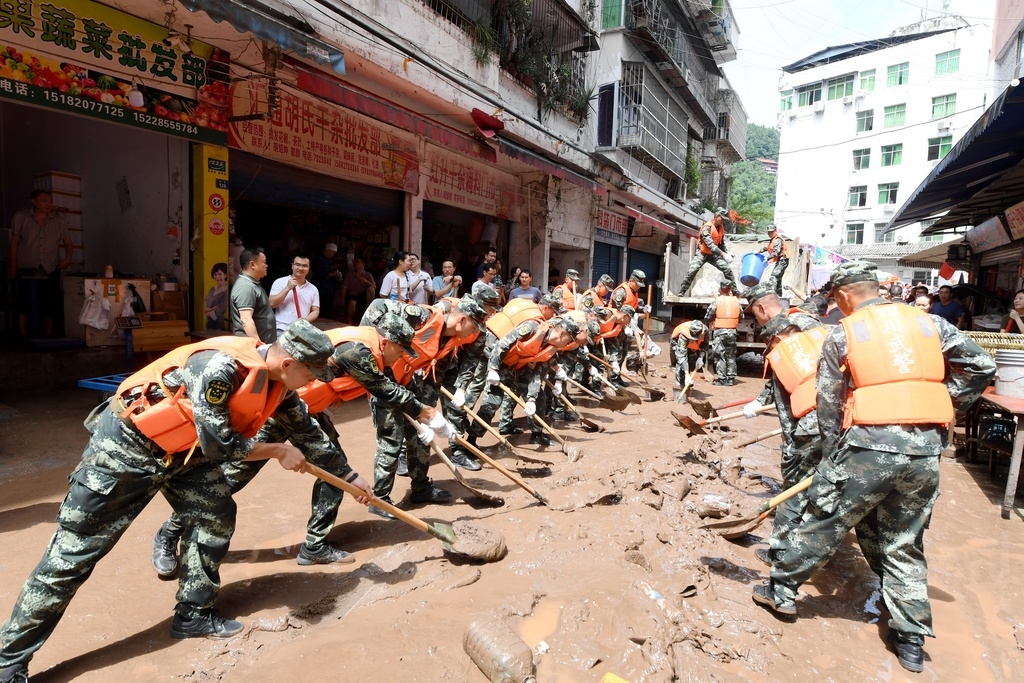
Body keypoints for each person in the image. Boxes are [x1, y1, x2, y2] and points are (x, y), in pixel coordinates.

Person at [0, 321, 349, 682]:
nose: (314, 383)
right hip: (126, 449)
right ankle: (9, 659)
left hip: (183, 451)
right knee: (74, 553)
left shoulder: (280, 385)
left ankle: (193, 614)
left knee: (215, 512)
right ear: (289, 363)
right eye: (312, 373)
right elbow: (220, 446)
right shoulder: (221, 369)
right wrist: (277, 449)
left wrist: (352, 480)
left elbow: (308, 431)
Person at [751, 260, 996, 675]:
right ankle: (911, 638)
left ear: (845, 296)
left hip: (868, 444)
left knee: (826, 519)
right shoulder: (929, 323)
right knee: (904, 540)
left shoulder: (843, 332)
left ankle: (782, 591)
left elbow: (828, 404)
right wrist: (940, 403)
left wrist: (832, 458)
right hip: (924, 453)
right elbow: (983, 367)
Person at [741, 283, 825, 568]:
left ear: (762, 307)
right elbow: (786, 375)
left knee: (796, 489)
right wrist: (759, 400)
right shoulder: (797, 328)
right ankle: (811, 550)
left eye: (754, 314)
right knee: (816, 489)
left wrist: (797, 436)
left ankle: (783, 555)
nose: (755, 321)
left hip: (811, 424)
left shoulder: (794, 328)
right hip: (822, 421)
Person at [8, 189, 74, 337]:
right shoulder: (21, 217)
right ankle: (23, 333)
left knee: (50, 300)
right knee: (24, 300)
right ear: (33, 202)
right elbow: (14, 242)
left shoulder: (59, 221)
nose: (48, 204)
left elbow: (68, 242)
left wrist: (68, 259)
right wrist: (12, 267)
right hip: (27, 267)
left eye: (50, 201)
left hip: (50, 266)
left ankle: (48, 334)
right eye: (44, 201)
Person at [676, 208, 737, 296]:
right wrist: (723, 254)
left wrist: (727, 253)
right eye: (722, 218)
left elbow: (721, 244)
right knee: (692, 270)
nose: (723, 220)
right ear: (716, 216)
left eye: (724, 219)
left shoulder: (721, 228)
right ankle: (682, 291)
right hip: (702, 253)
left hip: (713, 255)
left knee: (727, 270)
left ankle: (735, 291)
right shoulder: (707, 227)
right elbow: (710, 245)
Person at [230, 246, 276, 343]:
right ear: (252, 265)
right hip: (253, 347)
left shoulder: (253, 283)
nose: (266, 265)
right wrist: (258, 344)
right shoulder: (246, 287)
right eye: (264, 262)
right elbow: (246, 319)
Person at [269, 254, 320, 338]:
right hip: (281, 329)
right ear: (292, 266)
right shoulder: (280, 282)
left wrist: (305, 320)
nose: (300, 268)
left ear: (309, 268)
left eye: (305, 266)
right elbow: (271, 304)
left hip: (301, 331)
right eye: (297, 265)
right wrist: (287, 288)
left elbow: (315, 310)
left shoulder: (313, 289)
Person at [704, 282, 740, 386]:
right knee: (731, 355)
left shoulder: (717, 301)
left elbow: (708, 316)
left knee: (719, 355)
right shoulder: (736, 301)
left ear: (720, 289)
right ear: (730, 290)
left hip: (720, 332)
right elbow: (741, 316)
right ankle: (731, 379)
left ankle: (721, 379)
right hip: (732, 332)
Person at [670, 320, 708, 394]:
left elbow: (705, 345)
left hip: (693, 347)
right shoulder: (684, 333)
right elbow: (682, 356)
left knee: (691, 362)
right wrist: (687, 374)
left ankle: (686, 384)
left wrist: (701, 357)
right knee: (681, 364)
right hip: (678, 344)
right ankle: (679, 386)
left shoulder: (705, 331)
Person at [309, 243, 342, 317]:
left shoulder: (327, 260)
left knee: (327, 308)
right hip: (321, 288)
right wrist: (332, 274)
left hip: (328, 290)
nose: (333, 255)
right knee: (321, 307)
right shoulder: (319, 260)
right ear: (328, 250)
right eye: (333, 253)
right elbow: (319, 274)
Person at [340, 256, 375, 324]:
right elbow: (344, 288)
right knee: (352, 302)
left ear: (363, 264)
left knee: (371, 289)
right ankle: (349, 320)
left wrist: (366, 282)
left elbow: (374, 287)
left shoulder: (368, 274)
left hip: (362, 296)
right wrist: (342, 299)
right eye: (355, 262)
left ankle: (367, 308)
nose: (355, 264)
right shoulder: (349, 274)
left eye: (357, 262)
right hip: (351, 296)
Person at [760, 225, 789, 296]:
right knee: (778, 279)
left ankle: (771, 295)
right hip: (781, 260)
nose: (770, 234)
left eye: (771, 232)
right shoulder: (773, 239)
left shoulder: (777, 240)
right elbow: (769, 248)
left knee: (774, 277)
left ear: (775, 231)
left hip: (783, 260)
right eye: (769, 232)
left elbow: (776, 252)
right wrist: (761, 251)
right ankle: (779, 296)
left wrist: (767, 258)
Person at [204, 262, 229, 331]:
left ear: (226, 275)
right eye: (215, 274)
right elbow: (204, 308)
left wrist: (208, 310)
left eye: (220, 274)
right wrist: (212, 309)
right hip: (208, 326)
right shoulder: (212, 290)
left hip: (218, 328)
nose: (217, 277)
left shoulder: (226, 292)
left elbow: (215, 315)